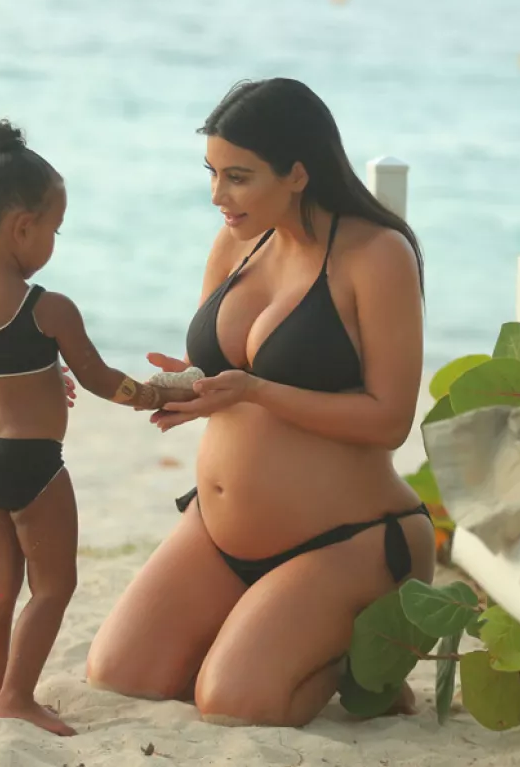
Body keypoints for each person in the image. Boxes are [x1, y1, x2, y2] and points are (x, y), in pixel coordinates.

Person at [86, 79, 436, 727]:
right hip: (220, 535)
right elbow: (222, 372)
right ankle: (265, 631)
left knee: (234, 702)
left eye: (239, 177)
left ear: (298, 172)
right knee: (121, 674)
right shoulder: (236, 241)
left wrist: (256, 390)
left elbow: (389, 419)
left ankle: (364, 662)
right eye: (213, 174)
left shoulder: (376, 255)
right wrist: (178, 387)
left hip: (348, 542)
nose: (218, 196)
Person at [0, 120, 194, 735]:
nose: (53, 241)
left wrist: (29, 379)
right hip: (31, 466)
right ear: (23, 226)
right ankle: (17, 698)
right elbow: (100, 379)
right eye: (54, 228)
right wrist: (155, 394)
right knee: (53, 585)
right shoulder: (47, 307)